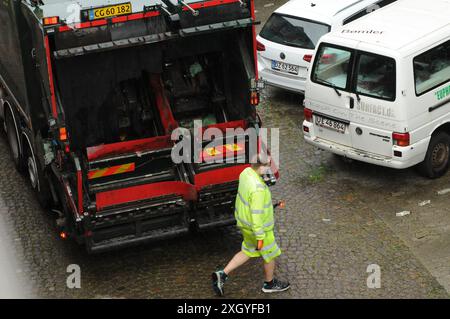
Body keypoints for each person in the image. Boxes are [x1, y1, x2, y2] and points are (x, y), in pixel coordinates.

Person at [212, 153, 290, 296]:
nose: (269, 169)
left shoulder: (246, 173)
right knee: (270, 254)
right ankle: (269, 284)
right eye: (267, 166)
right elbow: (256, 215)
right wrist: (260, 237)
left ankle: (222, 274)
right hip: (260, 231)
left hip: (244, 225)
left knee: (247, 251)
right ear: (260, 167)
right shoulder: (258, 189)